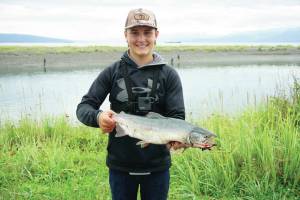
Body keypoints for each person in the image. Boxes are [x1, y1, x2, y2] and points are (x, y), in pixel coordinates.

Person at [76, 8, 185, 200]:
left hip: (157, 167)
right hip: (120, 167)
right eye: (134, 32)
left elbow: (177, 118)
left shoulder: (169, 75)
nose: (141, 39)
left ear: (156, 35)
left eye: (147, 32)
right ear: (125, 35)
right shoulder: (112, 72)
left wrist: (178, 138)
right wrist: (98, 117)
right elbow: (84, 108)